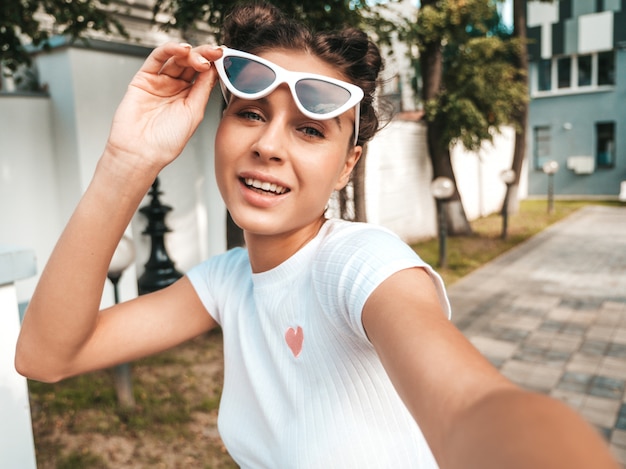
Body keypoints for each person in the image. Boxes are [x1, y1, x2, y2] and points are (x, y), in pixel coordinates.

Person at [15, 2, 619, 468]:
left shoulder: (361, 264)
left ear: (347, 164)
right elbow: (46, 355)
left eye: (309, 131)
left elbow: (476, 409)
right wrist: (127, 160)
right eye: (250, 113)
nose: (268, 145)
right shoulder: (227, 282)